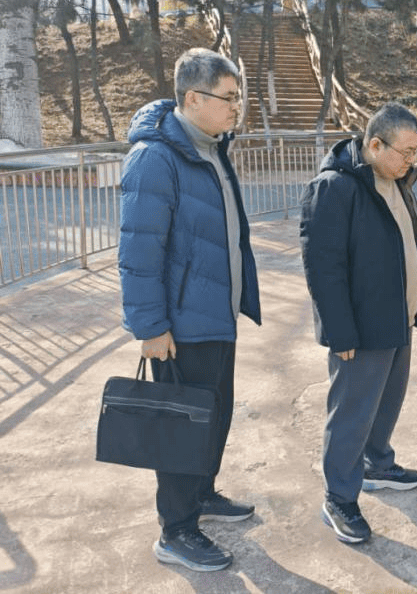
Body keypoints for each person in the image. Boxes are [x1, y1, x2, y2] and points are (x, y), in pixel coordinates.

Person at [119, 48, 261, 572]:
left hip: (215, 315)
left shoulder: (211, 148)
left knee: (214, 415)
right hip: (180, 326)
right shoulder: (155, 159)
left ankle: (201, 494)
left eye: (237, 97)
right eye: (228, 97)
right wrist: (151, 327)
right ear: (193, 98)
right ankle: (176, 531)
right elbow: (138, 252)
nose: (236, 107)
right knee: (182, 428)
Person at [300, 102, 417, 545]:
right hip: (360, 329)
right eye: (405, 152)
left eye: (415, 151)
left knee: (387, 402)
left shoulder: (397, 181)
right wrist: (339, 331)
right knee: (351, 415)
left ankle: (377, 462)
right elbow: (323, 268)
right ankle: (338, 497)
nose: (411, 160)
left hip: (397, 319)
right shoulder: (335, 188)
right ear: (375, 144)